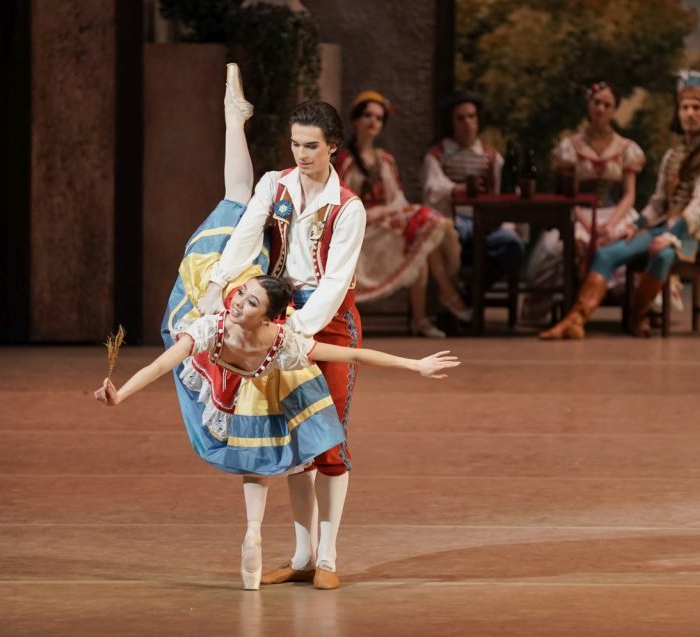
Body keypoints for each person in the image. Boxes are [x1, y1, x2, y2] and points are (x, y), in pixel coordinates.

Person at [96, 276, 459, 591]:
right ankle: (254, 531)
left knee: (261, 453)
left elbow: (352, 356)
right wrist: (120, 395)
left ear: (270, 318)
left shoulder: (285, 342)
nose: (238, 303)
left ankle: (263, 536)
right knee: (252, 454)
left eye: (251, 302)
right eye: (241, 294)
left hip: (267, 383)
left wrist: (415, 365)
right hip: (225, 377)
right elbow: (162, 363)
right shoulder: (211, 327)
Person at [194, 85, 366, 591]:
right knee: (291, 441)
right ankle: (303, 556)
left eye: (311, 145)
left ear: (333, 145)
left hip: (323, 320)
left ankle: (329, 558)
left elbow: (335, 283)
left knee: (328, 440)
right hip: (280, 310)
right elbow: (246, 234)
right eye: (295, 144)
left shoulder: (347, 207)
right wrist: (218, 284)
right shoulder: (276, 184)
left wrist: (298, 329)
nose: (301, 154)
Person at [539, 71, 700, 339]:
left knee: (662, 255)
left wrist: (670, 237)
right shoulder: (672, 155)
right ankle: (575, 319)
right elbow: (657, 203)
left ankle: (637, 316)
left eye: (697, 108)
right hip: (662, 226)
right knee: (607, 254)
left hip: (690, 234)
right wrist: (635, 225)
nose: (690, 113)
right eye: (685, 107)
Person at [335, 90, 471, 338]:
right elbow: (340, 201)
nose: (373, 121)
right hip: (358, 229)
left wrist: (401, 213)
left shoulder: (385, 159)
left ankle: (420, 318)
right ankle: (448, 293)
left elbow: (397, 198)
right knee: (423, 229)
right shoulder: (345, 161)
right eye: (367, 115)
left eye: (378, 117)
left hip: (384, 227)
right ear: (356, 120)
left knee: (419, 240)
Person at [522, 81, 647, 322]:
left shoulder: (627, 148)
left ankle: (633, 303)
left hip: (615, 212)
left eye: (607, 105)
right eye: (596, 102)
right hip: (579, 212)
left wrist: (610, 223)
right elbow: (569, 195)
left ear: (615, 109)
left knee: (628, 241)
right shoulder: (570, 147)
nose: (600, 109)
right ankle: (566, 302)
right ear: (589, 105)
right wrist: (587, 222)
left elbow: (629, 194)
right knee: (558, 246)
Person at [421, 90, 526, 294]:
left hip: (486, 222)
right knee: (447, 240)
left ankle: (472, 292)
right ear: (451, 122)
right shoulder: (437, 155)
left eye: (471, 117)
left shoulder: (491, 157)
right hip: (452, 220)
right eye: (460, 118)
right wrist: (457, 189)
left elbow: (505, 190)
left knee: (512, 245)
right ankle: (450, 299)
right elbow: (432, 189)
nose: (467, 123)